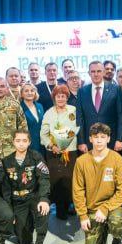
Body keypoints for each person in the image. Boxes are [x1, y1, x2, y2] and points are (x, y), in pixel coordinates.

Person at [72, 123, 122, 244]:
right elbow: (77, 190)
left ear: (108, 139)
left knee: (116, 219)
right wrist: (83, 215)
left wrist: (105, 208)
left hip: (111, 206)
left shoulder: (117, 160)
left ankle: (116, 241)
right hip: (92, 208)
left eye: (103, 137)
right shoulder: (81, 161)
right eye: (95, 137)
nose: (99, 140)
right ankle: (101, 229)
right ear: (90, 139)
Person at [1, 128, 51, 244]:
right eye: (18, 141)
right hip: (17, 200)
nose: (21, 144)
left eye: (24, 141)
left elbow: (44, 178)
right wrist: (9, 210)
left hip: (34, 196)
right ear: (13, 142)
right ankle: (27, 223)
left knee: (43, 211)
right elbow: (5, 189)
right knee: (24, 240)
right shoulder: (6, 161)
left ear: (29, 142)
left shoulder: (36, 157)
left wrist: (44, 199)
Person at [40, 84, 80, 220]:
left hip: (71, 151)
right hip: (54, 153)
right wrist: (52, 146)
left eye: (63, 96)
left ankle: (70, 205)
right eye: (58, 96)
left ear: (67, 97)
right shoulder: (49, 113)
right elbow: (43, 134)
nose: (61, 99)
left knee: (70, 180)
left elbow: (78, 127)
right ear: (54, 98)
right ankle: (60, 209)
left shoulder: (74, 110)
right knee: (56, 181)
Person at [75, 61, 122, 155]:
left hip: (111, 141)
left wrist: (119, 139)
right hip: (89, 142)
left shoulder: (115, 89)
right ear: (89, 73)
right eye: (93, 71)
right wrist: (81, 141)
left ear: (103, 72)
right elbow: (79, 118)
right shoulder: (82, 91)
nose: (96, 74)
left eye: (99, 71)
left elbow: (120, 116)